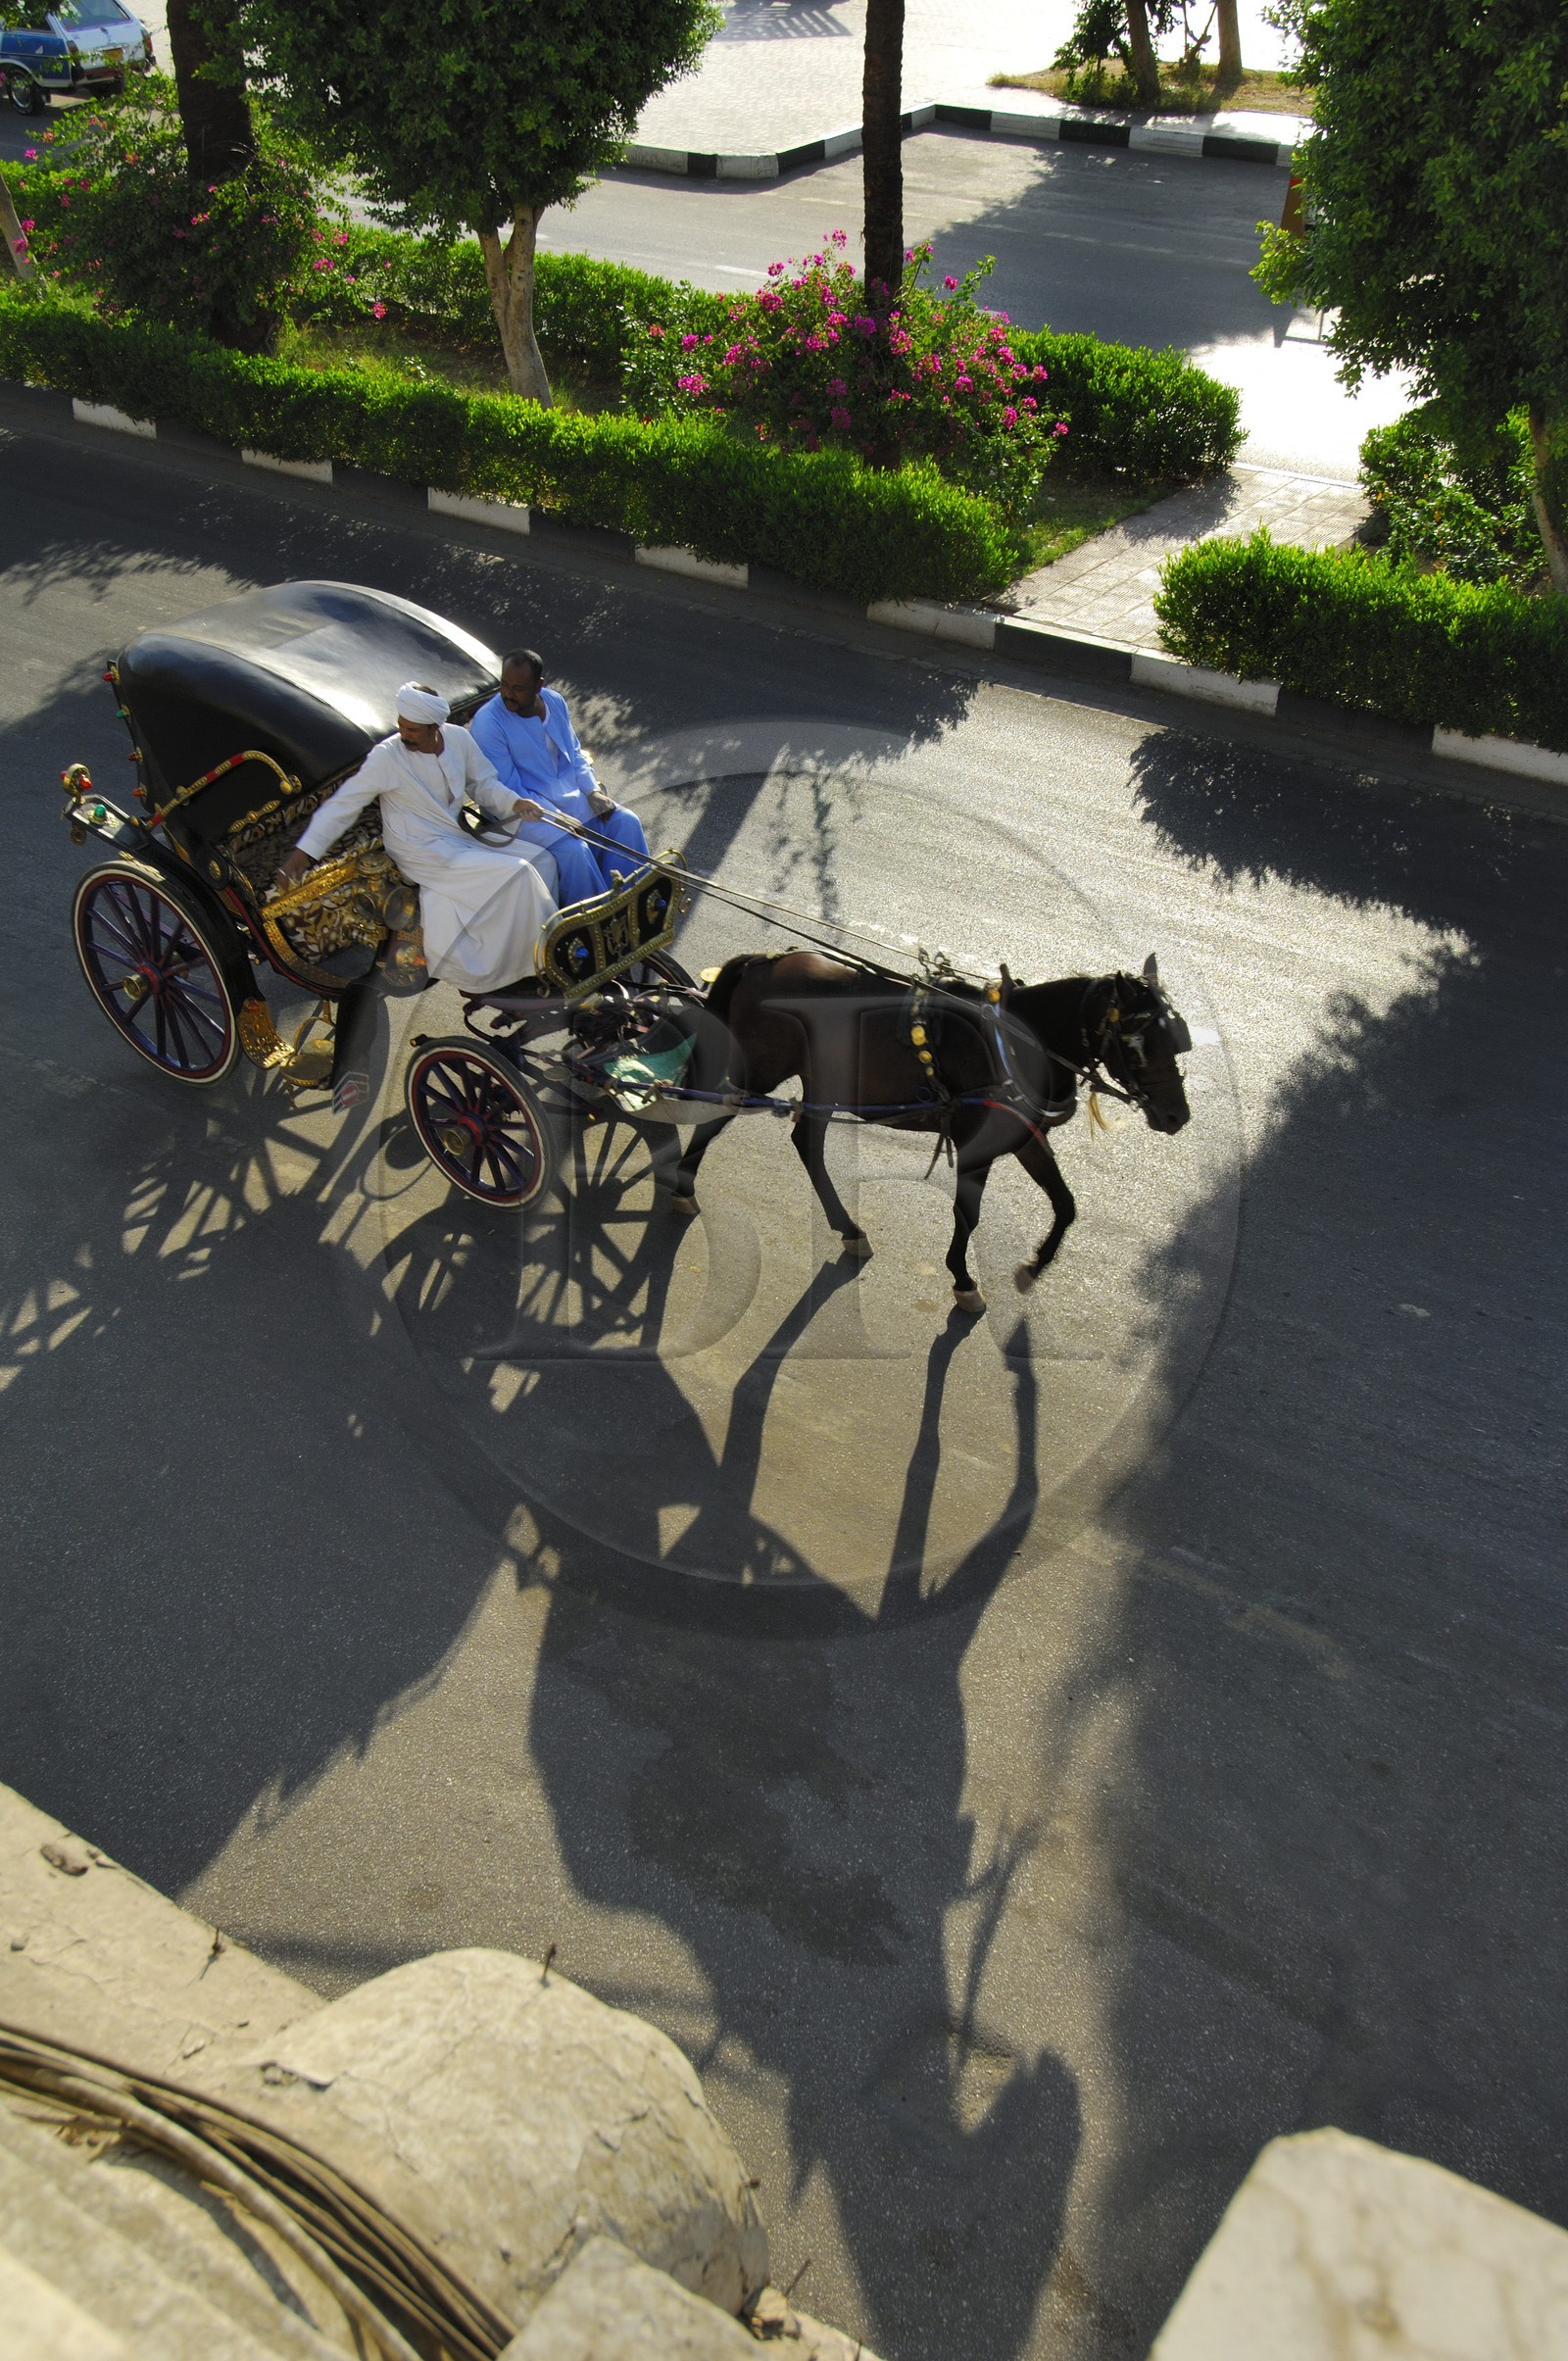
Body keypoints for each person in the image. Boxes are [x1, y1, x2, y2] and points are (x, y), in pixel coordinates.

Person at [274, 682, 560, 996]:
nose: (404, 734)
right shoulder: (387, 757)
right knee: (520, 874)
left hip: (456, 837)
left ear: (436, 726)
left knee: (543, 861)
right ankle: (538, 966)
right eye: (401, 725)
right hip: (419, 851)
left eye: (413, 729)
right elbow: (344, 805)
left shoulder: (458, 739)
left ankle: (529, 950)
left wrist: (515, 803)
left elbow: (483, 784)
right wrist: (304, 853)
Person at [469, 649, 651, 907]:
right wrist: (556, 817)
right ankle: (596, 921)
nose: (508, 694)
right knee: (575, 851)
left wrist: (592, 791)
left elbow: (575, 754)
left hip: (570, 798)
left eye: (518, 688)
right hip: (524, 813)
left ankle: (635, 906)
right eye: (504, 685)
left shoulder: (554, 701)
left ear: (538, 686)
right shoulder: (489, 723)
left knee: (625, 821)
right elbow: (510, 789)